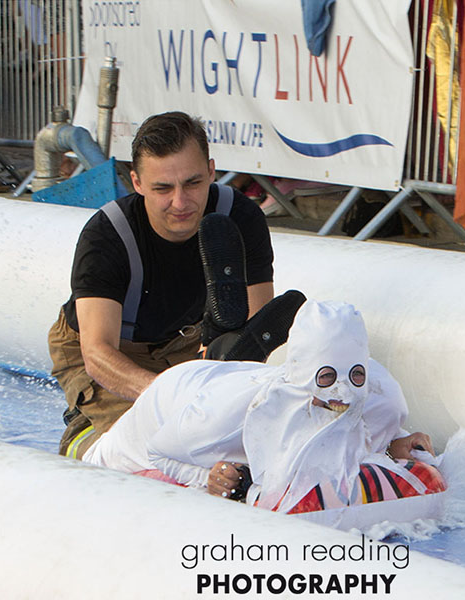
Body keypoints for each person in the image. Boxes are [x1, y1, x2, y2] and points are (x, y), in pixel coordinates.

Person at [49, 111, 300, 460]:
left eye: (193, 183)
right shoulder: (107, 235)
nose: (180, 203)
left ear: (212, 171)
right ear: (136, 182)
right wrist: (170, 396)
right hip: (108, 345)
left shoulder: (240, 218)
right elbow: (97, 352)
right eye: (163, 188)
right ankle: (82, 433)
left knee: (225, 432)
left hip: (190, 337)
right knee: (145, 441)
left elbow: (255, 329)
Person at [82, 300, 437, 514]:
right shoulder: (222, 417)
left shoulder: (380, 397)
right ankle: (79, 435)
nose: (342, 392)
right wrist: (207, 478)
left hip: (232, 381)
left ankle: (229, 351)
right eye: (326, 377)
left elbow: (354, 428)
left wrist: (394, 444)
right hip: (164, 415)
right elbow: (158, 451)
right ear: (301, 375)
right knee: (113, 471)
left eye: (356, 375)